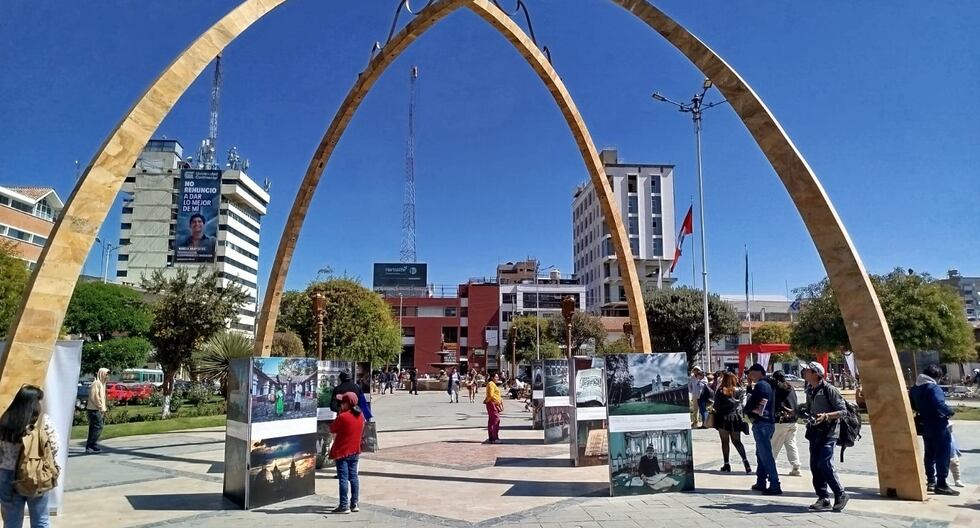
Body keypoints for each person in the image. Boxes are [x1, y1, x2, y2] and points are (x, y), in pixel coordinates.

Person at [0, 384, 60, 528]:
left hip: (7, 475)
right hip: (35, 474)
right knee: (40, 520)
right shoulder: (42, 422)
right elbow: (55, 446)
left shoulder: (5, 421)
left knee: (11, 522)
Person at [801, 361, 849, 511]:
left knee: (825, 463)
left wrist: (826, 416)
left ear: (816, 374)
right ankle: (823, 498)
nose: (805, 372)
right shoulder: (810, 390)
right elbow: (808, 408)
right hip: (814, 432)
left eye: (807, 370)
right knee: (815, 465)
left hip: (829, 432)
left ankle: (840, 494)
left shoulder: (830, 389)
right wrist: (796, 411)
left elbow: (843, 411)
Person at [910, 364, 958, 496]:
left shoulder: (915, 388)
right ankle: (941, 483)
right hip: (938, 424)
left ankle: (931, 481)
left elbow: (912, 404)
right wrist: (950, 411)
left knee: (929, 453)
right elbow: (939, 403)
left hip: (925, 424)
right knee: (943, 453)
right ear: (936, 376)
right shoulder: (933, 387)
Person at [745, 363, 781, 495]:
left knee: (765, 455)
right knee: (760, 454)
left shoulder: (761, 385)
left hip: (762, 423)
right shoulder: (770, 384)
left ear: (759, 372)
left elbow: (753, 401)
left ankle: (774, 483)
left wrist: (746, 410)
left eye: (751, 373)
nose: (750, 376)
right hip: (769, 422)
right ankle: (761, 481)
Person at [329, 392, 365, 514]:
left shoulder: (343, 417)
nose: (340, 405)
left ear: (346, 404)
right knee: (354, 477)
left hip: (342, 452)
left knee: (343, 479)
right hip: (355, 451)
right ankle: (354, 503)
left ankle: (344, 505)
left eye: (341, 402)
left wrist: (340, 414)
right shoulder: (361, 416)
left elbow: (332, 428)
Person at [713, 371, 751, 474]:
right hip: (736, 419)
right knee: (737, 442)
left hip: (723, 419)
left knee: (725, 442)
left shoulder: (721, 391)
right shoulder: (740, 390)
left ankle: (726, 464)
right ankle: (745, 462)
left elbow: (716, 406)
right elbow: (743, 405)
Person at [770, 371, 802, 477]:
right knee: (791, 444)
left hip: (781, 420)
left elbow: (776, 404)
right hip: (793, 420)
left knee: (774, 444)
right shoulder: (790, 387)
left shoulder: (777, 389)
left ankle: (771, 466)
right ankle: (796, 466)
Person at [85, 367, 108, 454]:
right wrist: (100, 406)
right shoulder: (96, 383)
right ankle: (91, 445)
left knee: (94, 427)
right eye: (106, 374)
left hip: (97, 409)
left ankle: (91, 446)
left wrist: (103, 408)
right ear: (101, 374)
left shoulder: (102, 384)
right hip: (94, 409)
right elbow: (94, 397)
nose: (107, 376)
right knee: (98, 426)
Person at [484, 372, 503, 444]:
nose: (497, 378)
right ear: (492, 378)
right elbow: (491, 395)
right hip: (492, 403)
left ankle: (491, 437)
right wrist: (493, 401)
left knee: (492, 420)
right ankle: (495, 438)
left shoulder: (492, 384)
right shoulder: (491, 384)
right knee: (496, 420)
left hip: (492, 403)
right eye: (496, 377)